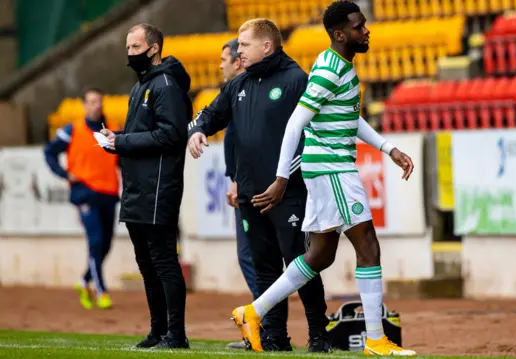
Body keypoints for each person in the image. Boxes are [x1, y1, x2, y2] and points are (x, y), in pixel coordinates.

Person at [230, 1, 417, 356]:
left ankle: (252, 312)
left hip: (325, 168)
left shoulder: (338, 67)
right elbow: (295, 122)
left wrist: (388, 148)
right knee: (368, 245)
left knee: (320, 254)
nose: (367, 31)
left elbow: (349, 116)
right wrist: (282, 179)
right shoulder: (330, 70)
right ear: (340, 34)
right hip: (332, 168)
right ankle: (375, 339)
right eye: (360, 26)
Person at [187, 19, 331, 353]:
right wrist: (197, 130)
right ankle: (274, 337)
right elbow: (208, 114)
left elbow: (313, 136)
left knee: (301, 264)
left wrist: (283, 180)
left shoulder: (296, 80)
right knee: (265, 269)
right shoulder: (239, 83)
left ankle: (319, 335)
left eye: (245, 44)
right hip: (251, 195)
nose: (239, 50)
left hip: (288, 193)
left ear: (267, 46)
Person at [100, 23, 191, 349]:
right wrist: (117, 140)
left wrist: (122, 141)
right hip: (139, 186)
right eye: (127, 48)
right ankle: (157, 332)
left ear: (153, 48)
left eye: (135, 48)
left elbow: (171, 134)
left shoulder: (165, 85)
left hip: (158, 187)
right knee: (146, 263)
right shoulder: (142, 86)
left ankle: (176, 335)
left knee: (163, 261)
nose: (130, 54)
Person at [44, 87, 119, 311]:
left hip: (109, 192)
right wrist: (65, 174)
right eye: (91, 101)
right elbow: (49, 151)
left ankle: (83, 281)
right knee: (95, 240)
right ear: (85, 105)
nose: (95, 105)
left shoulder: (113, 130)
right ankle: (101, 290)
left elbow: (122, 157)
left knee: (106, 244)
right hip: (85, 192)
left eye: (98, 101)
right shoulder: (73, 130)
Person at [219, 38, 261, 351]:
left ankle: (265, 327)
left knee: (252, 257)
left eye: (224, 59)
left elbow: (243, 140)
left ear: (237, 62)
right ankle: (267, 327)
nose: (220, 65)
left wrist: (236, 179)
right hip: (249, 182)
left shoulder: (242, 93)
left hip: (250, 185)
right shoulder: (238, 93)